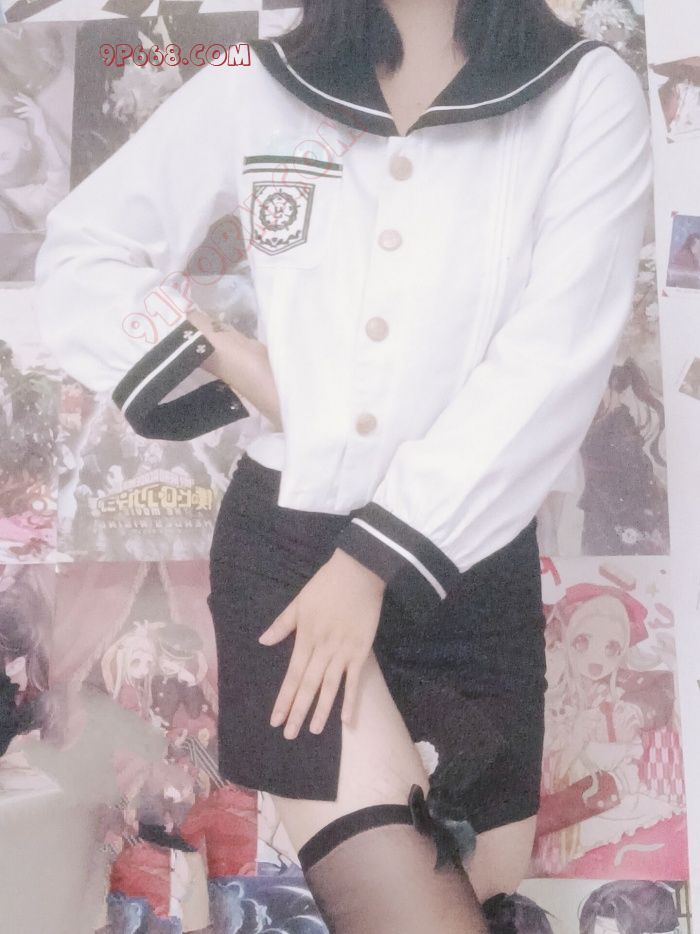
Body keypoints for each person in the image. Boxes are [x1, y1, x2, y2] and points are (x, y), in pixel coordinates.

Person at [33, 1, 654, 930]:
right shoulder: (256, 81)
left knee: (481, 895)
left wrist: (369, 565)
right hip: (289, 554)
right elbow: (84, 252)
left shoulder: (582, 92)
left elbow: (554, 358)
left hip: (467, 563)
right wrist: (220, 350)